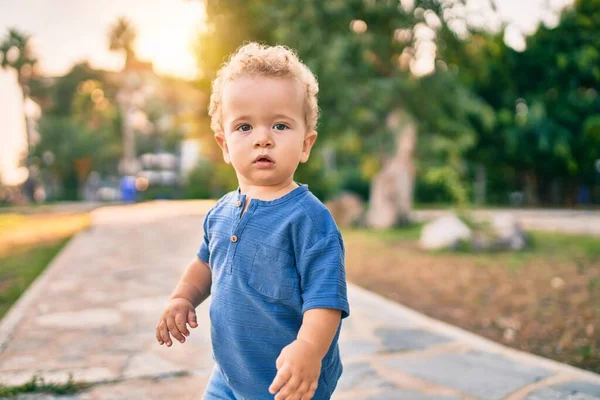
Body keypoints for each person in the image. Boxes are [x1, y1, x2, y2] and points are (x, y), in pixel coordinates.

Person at [155, 43, 350, 400]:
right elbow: (205, 263)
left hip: (288, 383)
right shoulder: (222, 211)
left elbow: (326, 300)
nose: (263, 138)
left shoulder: (309, 220)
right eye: (244, 126)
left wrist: (308, 348)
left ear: (306, 144)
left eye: (280, 125)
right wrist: (182, 297)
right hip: (229, 376)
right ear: (224, 145)